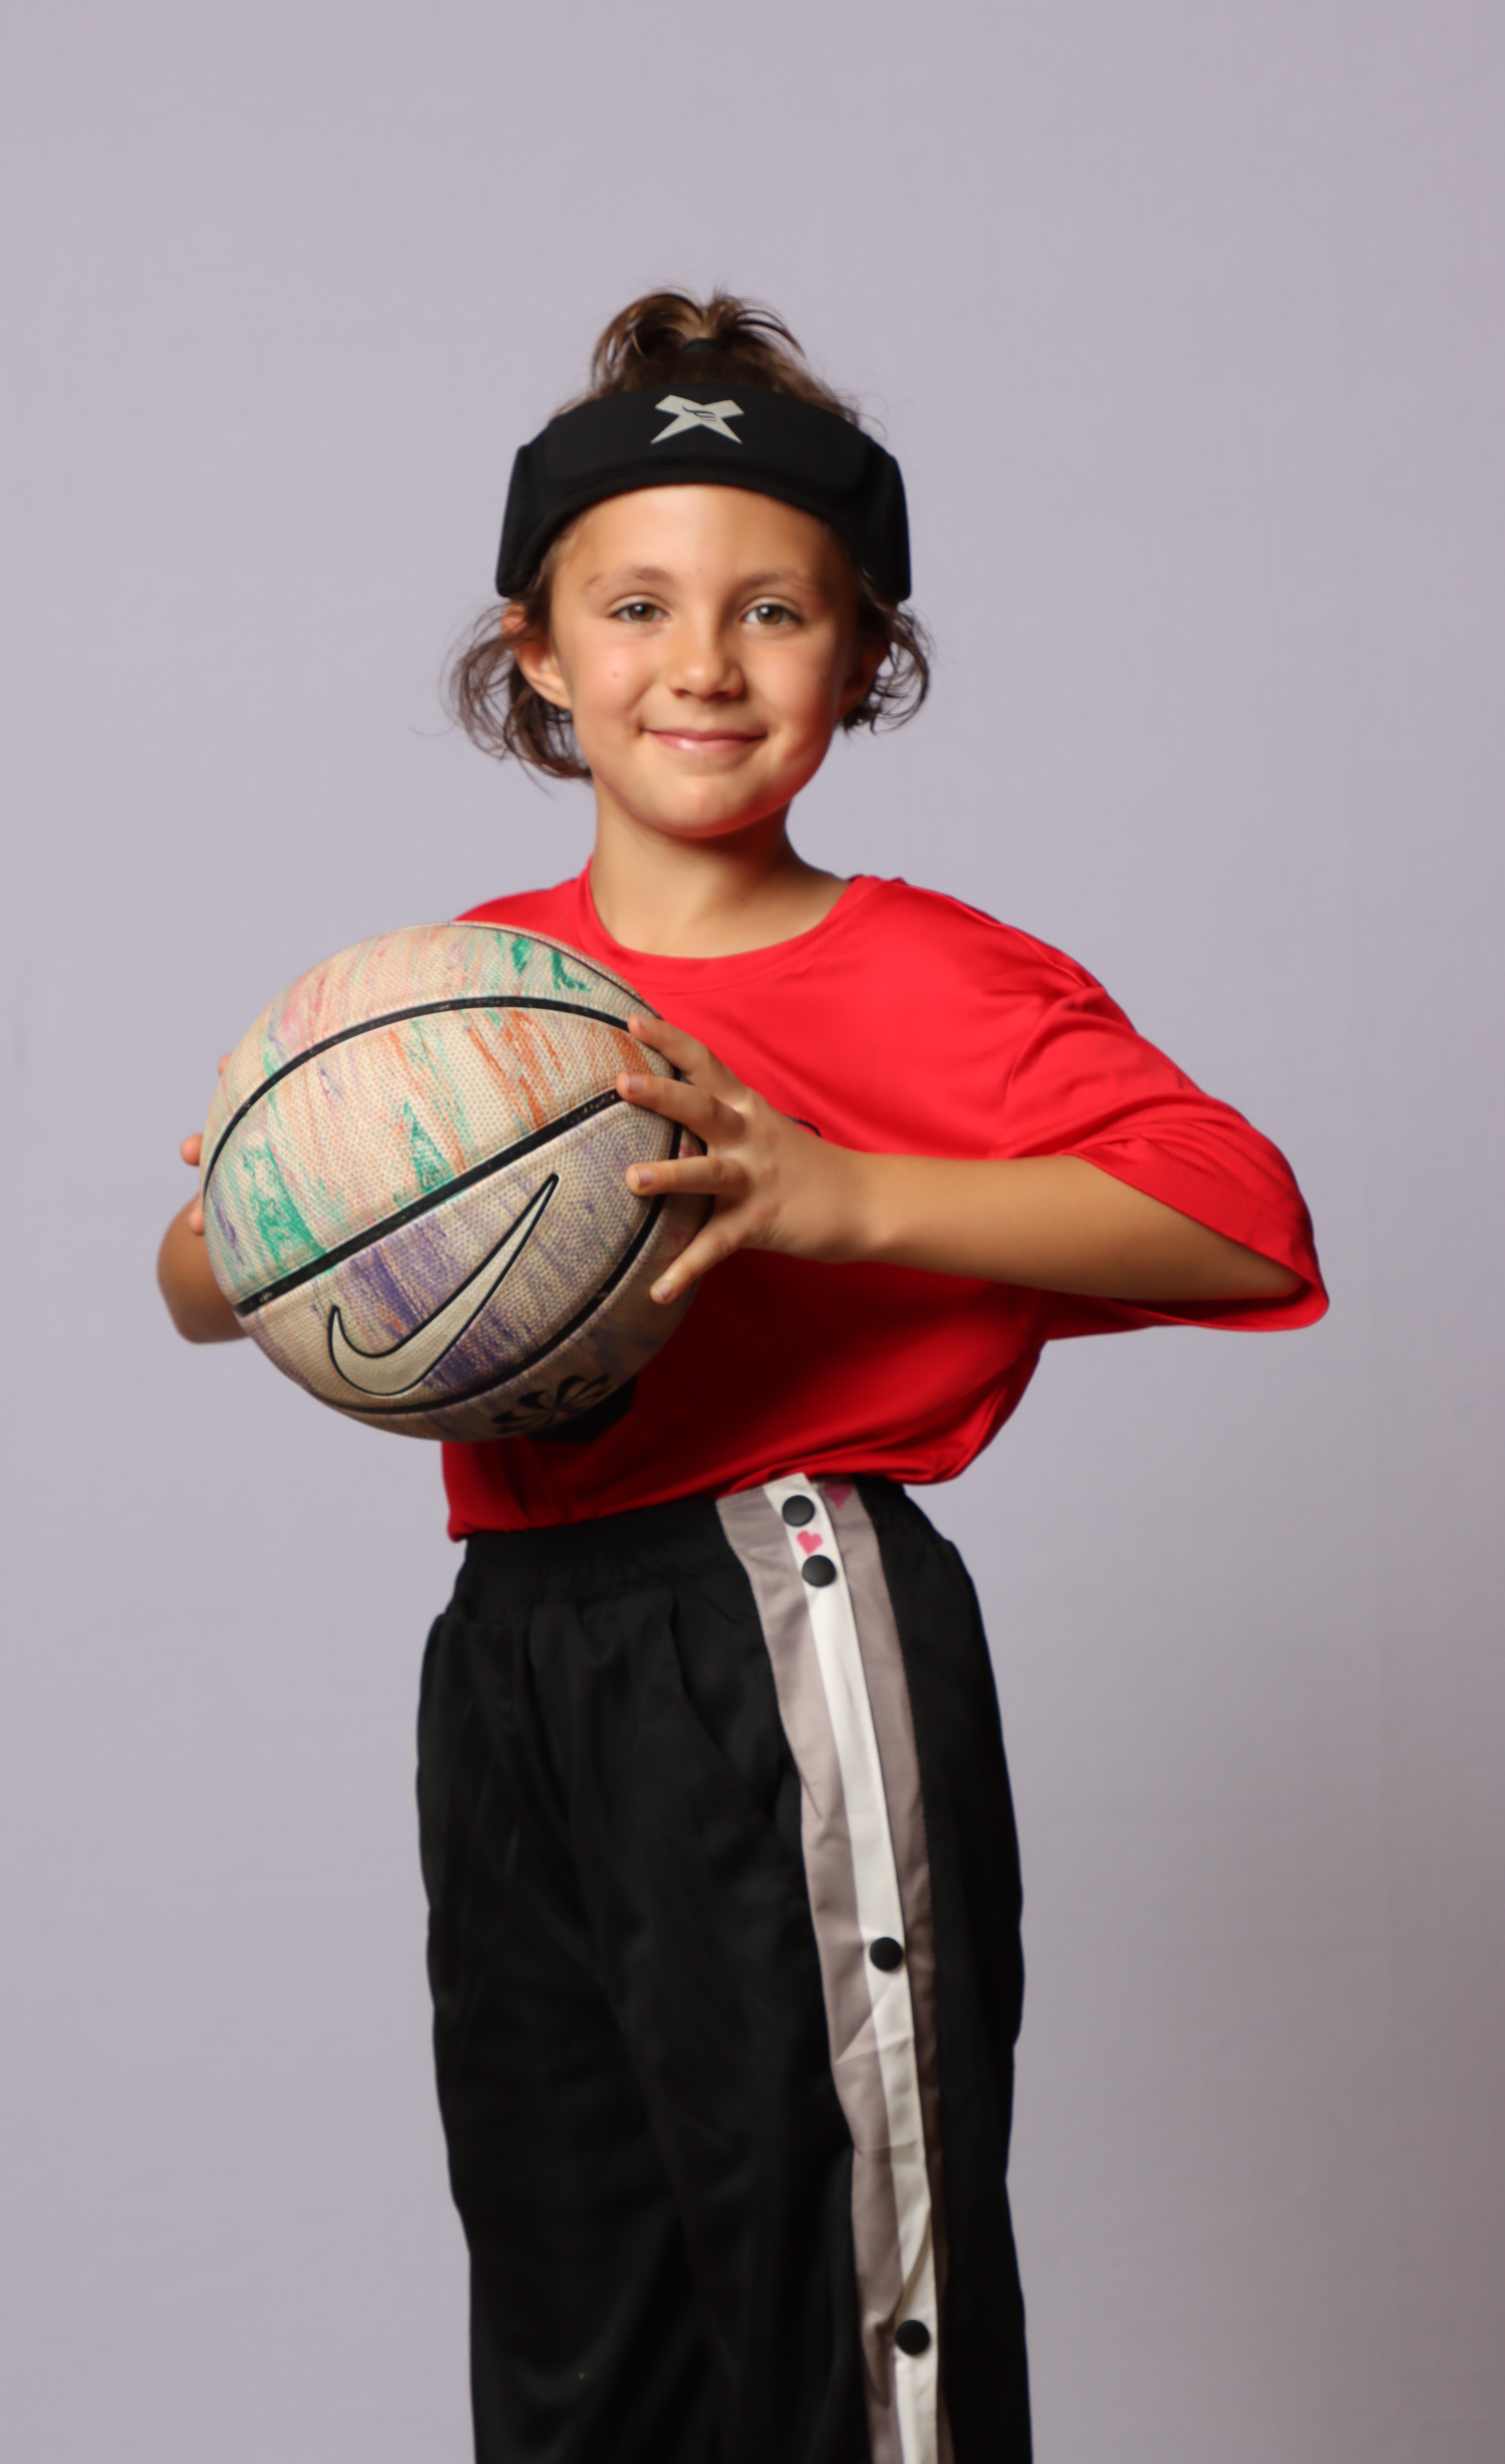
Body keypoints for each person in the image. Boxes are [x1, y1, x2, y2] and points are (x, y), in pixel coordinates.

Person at [157, 290, 1325, 2464]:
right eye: (636, 605)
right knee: (576, 2331)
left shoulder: (940, 975)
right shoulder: (455, 1007)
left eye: (773, 609)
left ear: (862, 658)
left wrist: (830, 1197)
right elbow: (196, 1281)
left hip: (783, 1614)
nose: (700, 662)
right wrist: (304, 1194)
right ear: (535, 652)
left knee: (840, 2310)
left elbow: (1245, 1221)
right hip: (515, 1647)